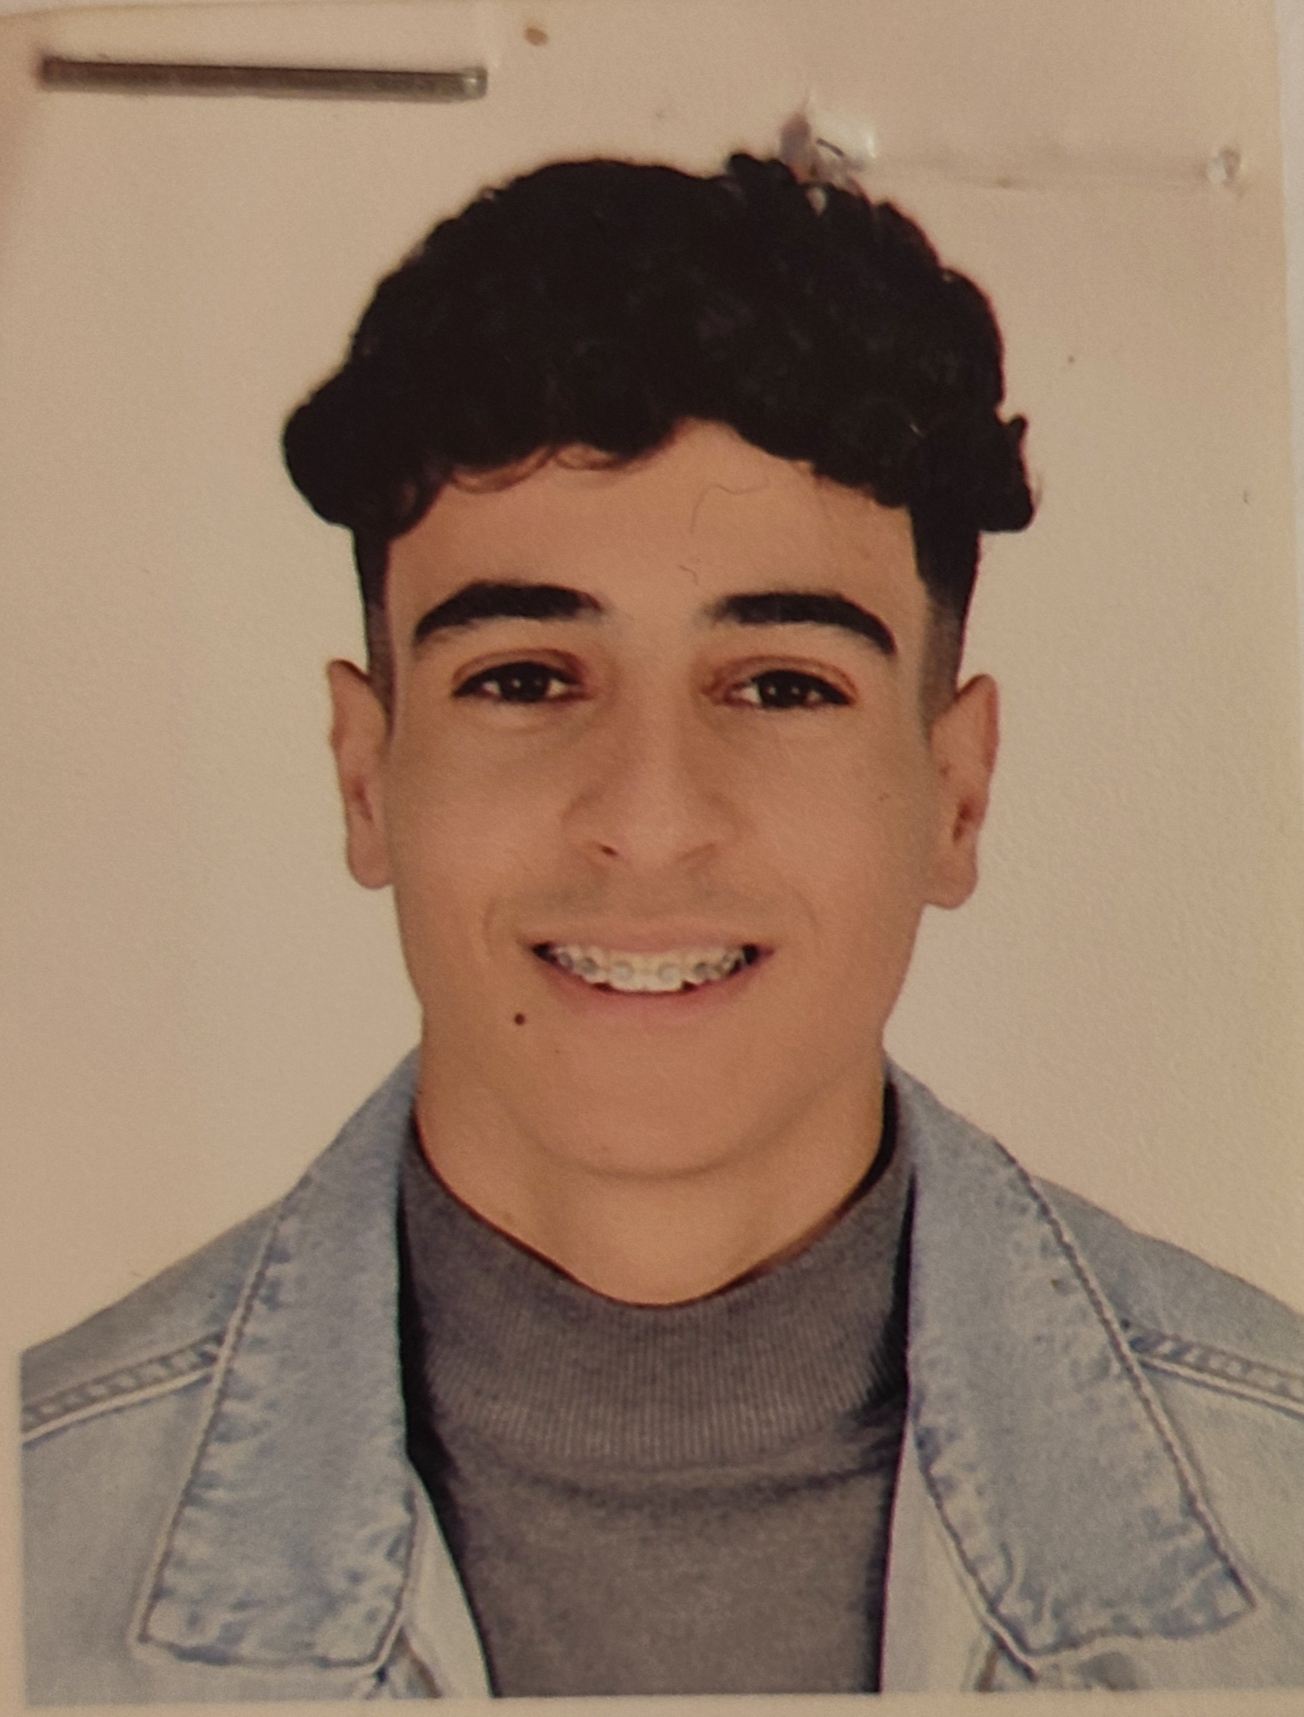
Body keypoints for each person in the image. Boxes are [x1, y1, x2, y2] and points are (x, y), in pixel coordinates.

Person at [20, 149, 1304, 1703]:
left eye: (782, 685)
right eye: (523, 677)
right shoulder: (41, 1540)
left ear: (956, 795)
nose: (648, 815)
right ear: (366, 778)